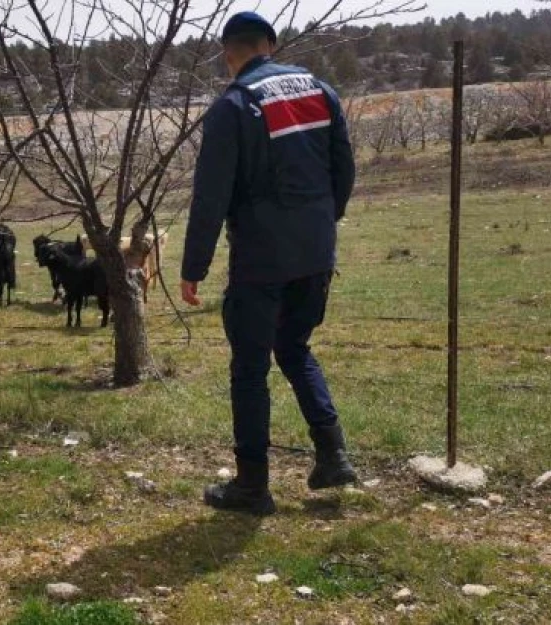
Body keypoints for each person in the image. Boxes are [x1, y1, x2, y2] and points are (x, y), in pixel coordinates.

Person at [180, 11, 358, 515]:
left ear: (226, 52)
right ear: (271, 44)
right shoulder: (322, 92)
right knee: (296, 347)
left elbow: (210, 196)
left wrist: (194, 265)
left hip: (261, 259)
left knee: (250, 370)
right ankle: (333, 454)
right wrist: (323, 220)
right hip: (316, 249)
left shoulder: (233, 106)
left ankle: (252, 486)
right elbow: (344, 170)